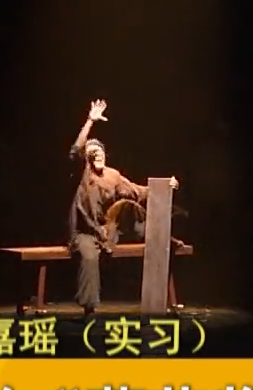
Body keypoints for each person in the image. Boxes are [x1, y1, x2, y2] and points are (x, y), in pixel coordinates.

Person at [67, 99, 176, 316]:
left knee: (129, 207)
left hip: (110, 230)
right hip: (86, 232)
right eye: (92, 153)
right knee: (89, 257)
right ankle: (89, 308)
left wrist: (166, 186)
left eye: (100, 152)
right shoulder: (83, 174)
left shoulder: (112, 175)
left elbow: (138, 191)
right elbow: (77, 150)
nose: (97, 155)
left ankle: (164, 239)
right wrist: (90, 121)